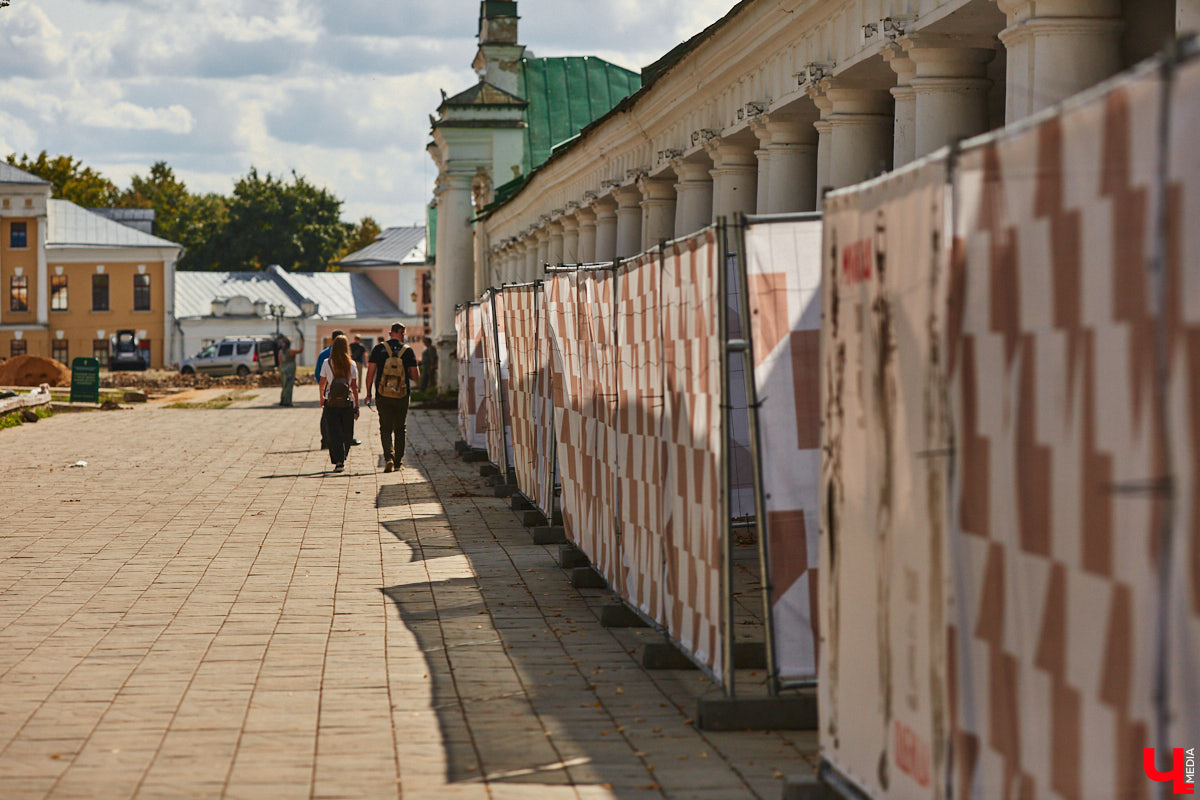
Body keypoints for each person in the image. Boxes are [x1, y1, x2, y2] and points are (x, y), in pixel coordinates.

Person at [365, 322, 419, 473]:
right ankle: (398, 462)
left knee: (385, 428)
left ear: (390, 333)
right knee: (400, 428)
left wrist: (368, 393)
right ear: (403, 333)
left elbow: (370, 374)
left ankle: (388, 457)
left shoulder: (379, 349)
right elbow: (416, 376)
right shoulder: (407, 351)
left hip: (383, 394)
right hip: (402, 395)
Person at [319, 335, 359, 472]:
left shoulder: (327, 363)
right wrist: (357, 405)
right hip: (348, 402)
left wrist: (321, 397)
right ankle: (343, 456)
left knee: (333, 432)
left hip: (331, 402)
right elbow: (354, 387)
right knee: (347, 432)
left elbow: (322, 383)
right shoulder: (351, 364)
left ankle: (338, 460)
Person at [277, 334, 304, 407]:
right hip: (290, 370)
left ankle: (282, 400)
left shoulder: (280, 352)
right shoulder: (291, 351)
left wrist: (281, 370)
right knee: (289, 386)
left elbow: (280, 362)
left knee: (284, 386)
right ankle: (287, 402)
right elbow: (300, 350)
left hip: (283, 370)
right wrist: (303, 342)